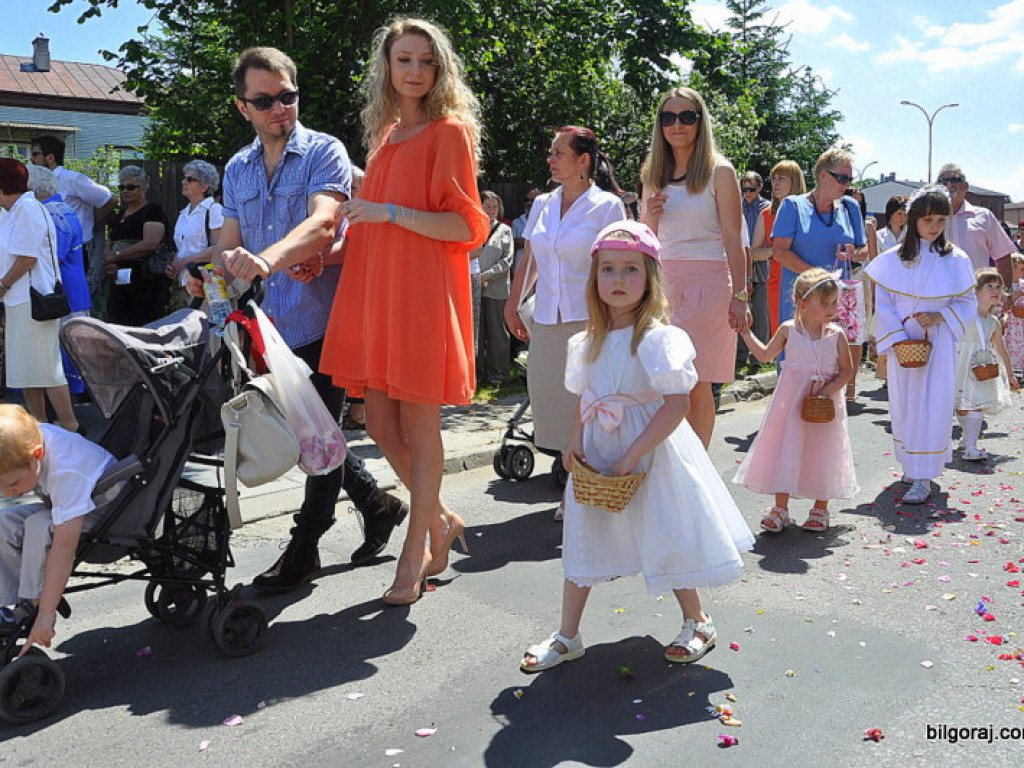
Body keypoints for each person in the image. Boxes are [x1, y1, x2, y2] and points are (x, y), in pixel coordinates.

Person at [192, 46, 409, 591]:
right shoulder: (238, 168)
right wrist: (208, 277)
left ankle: (305, 547)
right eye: (264, 100)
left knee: (315, 435)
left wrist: (265, 261)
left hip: (329, 317)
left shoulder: (323, 152)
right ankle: (376, 502)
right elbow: (228, 244)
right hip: (273, 323)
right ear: (243, 107)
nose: (279, 108)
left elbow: (323, 222)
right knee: (312, 431)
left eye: (287, 96)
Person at [519, 221, 753, 673]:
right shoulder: (587, 341)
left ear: (650, 278)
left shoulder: (660, 340)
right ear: (595, 278)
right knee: (583, 534)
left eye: (630, 269)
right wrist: (573, 444)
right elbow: (586, 398)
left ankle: (698, 619)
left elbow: (677, 403)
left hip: (651, 452)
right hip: (599, 452)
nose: (619, 280)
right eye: (608, 270)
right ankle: (568, 634)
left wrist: (634, 454)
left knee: (664, 530)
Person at [320, 19, 489, 605]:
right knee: (381, 424)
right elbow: (373, 225)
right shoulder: (386, 135)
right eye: (403, 61)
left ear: (440, 70)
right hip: (376, 291)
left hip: (420, 295)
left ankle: (414, 553)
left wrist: (390, 212)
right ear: (387, 68)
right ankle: (440, 517)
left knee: (418, 425)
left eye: (426, 62)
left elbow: (466, 224)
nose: (414, 71)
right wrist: (330, 257)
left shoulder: (450, 131)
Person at [504, 127, 626, 520]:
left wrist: (616, 317)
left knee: (585, 404)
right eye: (551, 153)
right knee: (550, 399)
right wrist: (513, 303)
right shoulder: (542, 204)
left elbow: (616, 264)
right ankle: (571, 471)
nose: (551, 159)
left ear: (583, 160)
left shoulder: (606, 206)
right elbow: (531, 260)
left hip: (590, 318)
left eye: (559, 153)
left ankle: (579, 488)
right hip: (546, 317)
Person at [640, 86, 749, 447]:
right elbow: (646, 239)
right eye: (668, 117)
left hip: (709, 283)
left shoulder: (720, 171)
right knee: (661, 381)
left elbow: (734, 239)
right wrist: (650, 217)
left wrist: (741, 295)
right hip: (664, 284)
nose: (677, 125)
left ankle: (697, 469)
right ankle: (670, 466)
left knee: (696, 381)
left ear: (700, 122)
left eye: (687, 116)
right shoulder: (653, 173)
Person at [864, 186, 976, 505]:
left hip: (938, 342)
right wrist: (898, 339)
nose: (935, 226)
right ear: (914, 218)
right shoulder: (893, 260)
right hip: (905, 343)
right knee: (906, 403)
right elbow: (883, 304)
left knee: (934, 403)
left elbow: (967, 299)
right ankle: (913, 465)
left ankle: (925, 475)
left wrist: (940, 316)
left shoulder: (956, 259)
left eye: (941, 219)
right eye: (928, 219)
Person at [733, 268, 857, 532]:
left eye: (834, 302)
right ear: (803, 304)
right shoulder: (789, 330)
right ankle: (780, 507)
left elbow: (847, 370)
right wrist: (745, 334)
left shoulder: (836, 335)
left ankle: (820, 508)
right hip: (790, 404)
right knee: (787, 448)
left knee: (823, 450)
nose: (832, 308)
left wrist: (827, 391)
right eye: (825, 303)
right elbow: (765, 356)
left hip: (824, 405)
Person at [0, 405, 115, 653]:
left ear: (37, 455)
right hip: (66, 502)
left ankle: (32, 604)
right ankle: (11, 601)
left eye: (12, 484)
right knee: (4, 521)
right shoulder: (26, 438)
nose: (8, 493)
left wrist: (46, 612)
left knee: (38, 526)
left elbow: (64, 547)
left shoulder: (66, 471)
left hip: (106, 510)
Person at [0, 159, 80, 434]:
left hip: (34, 299)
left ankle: (71, 427)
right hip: (18, 300)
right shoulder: (9, 211)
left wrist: (3, 284)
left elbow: (27, 258)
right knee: (26, 370)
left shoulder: (28, 209)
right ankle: (40, 426)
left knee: (46, 368)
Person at [27, 164, 90, 397]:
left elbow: (52, 256)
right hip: (71, 291)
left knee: (62, 351)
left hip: (62, 294)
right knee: (70, 348)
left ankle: (67, 408)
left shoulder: (50, 212)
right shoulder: (61, 208)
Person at [30, 135, 115, 298]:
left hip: (76, 250)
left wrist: (92, 222)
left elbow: (109, 199)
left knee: (73, 300)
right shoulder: (37, 183)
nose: (31, 159)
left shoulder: (72, 179)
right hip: (49, 250)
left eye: (35, 154)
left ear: (50, 157)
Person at [953, 268, 1018, 461]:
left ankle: (971, 446)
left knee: (977, 403)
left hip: (983, 367)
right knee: (962, 405)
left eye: (998, 287)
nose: (995, 290)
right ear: (976, 291)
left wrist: (1011, 373)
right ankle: (967, 438)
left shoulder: (994, 322)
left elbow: (1001, 348)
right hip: (961, 363)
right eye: (989, 286)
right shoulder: (964, 316)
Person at [103, 165, 171, 326]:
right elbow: (110, 241)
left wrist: (118, 256)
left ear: (144, 189)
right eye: (122, 187)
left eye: (131, 187)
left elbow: (150, 243)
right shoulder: (121, 214)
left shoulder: (152, 210)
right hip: (118, 279)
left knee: (142, 323)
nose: (126, 191)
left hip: (143, 280)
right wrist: (109, 260)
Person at [937, 163, 1016, 300]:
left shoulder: (984, 217)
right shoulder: (930, 219)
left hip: (978, 297)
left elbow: (1002, 256)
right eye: (943, 182)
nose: (949, 185)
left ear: (966, 186)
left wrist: (1006, 292)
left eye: (955, 180)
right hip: (939, 295)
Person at [755, 161, 807, 334]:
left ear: (794, 181)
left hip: (806, 283)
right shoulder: (766, 214)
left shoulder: (809, 212)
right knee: (783, 336)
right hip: (777, 284)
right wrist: (776, 251)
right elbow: (754, 252)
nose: (775, 183)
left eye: (781, 179)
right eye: (773, 179)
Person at [476, 190, 514, 383]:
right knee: (477, 332)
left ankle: (499, 373)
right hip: (473, 287)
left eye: (495, 206)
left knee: (497, 331)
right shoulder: (472, 226)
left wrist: (487, 275)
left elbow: (507, 260)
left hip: (497, 288)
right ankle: (478, 373)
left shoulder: (505, 230)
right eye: (487, 206)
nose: (491, 210)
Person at [167, 160, 224, 287]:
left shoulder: (214, 210)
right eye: (184, 178)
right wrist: (175, 265)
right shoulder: (184, 213)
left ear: (204, 186)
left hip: (207, 283)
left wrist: (185, 262)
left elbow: (220, 248)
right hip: (184, 283)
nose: (183, 182)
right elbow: (183, 248)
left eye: (189, 179)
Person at [741, 171, 771, 351]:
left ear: (759, 188)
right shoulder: (736, 205)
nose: (747, 193)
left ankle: (760, 350)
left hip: (760, 259)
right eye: (744, 189)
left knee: (760, 308)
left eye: (751, 189)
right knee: (741, 303)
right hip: (742, 258)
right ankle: (741, 352)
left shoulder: (766, 207)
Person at [511, 187, 541, 273]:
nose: (529, 203)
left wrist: (523, 242)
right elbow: (512, 244)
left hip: (541, 272)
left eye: (533, 200)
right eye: (527, 200)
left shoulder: (548, 221)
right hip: (520, 270)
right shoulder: (517, 222)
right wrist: (536, 241)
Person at [1005, 254, 1024, 378]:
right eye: (1021, 269)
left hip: (1022, 326)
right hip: (1011, 327)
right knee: (1011, 349)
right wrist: (1012, 297)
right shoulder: (1005, 286)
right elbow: (999, 305)